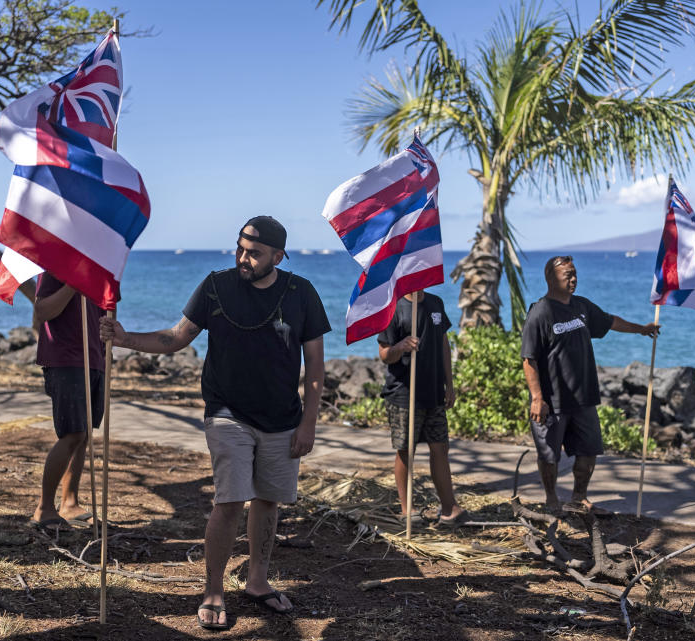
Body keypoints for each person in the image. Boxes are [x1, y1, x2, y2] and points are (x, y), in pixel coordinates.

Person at [100, 216, 330, 631]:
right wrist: (124, 337)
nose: (244, 258)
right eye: (240, 248)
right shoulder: (215, 286)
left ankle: (257, 581)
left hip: (282, 419)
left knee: (267, 500)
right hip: (226, 414)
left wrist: (309, 422)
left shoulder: (301, 293)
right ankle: (213, 590)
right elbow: (177, 337)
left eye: (254, 253)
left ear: (278, 256)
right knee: (229, 500)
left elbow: (315, 363)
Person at [521, 255, 659, 516]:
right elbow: (529, 359)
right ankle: (551, 499)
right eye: (567, 276)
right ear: (551, 279)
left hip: (583, 397)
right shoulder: (540, 313)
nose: (573, 279)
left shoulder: (581, 306)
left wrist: (641, 329)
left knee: (588, 452)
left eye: (574, 274)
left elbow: (610, 322)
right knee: (549, 455)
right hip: (553, 400)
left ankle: (578, 498)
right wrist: (537, 397)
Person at [377, 289, 467, 526]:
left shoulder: (436, 302)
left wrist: (449, 384)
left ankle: (449, 508)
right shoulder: (393, 306)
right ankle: (408, 510)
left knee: (440, 448)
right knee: (406, 451)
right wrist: (401, 346)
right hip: (404, 394)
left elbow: (444, 344)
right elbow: (385, 354)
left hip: (434, 392)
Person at [31, 273, 104, 530]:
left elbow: (104, 311)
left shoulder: (100, 265)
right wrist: (73, 283)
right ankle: (44, 508)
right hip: (65, 359)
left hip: (94, 358)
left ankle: (69, 502)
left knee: (84, 434)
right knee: (72, 433)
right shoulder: (56, 265)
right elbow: (42, 311)